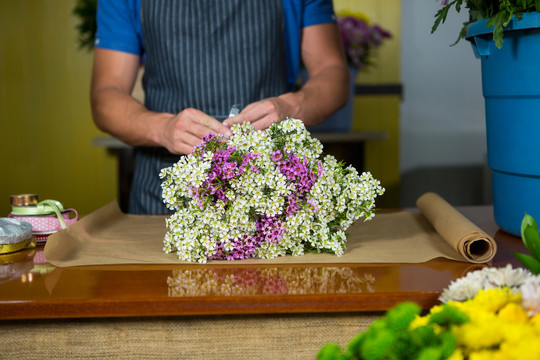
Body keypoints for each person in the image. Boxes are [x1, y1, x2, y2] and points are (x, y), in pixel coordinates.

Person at [91, 0, 349, 214]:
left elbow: (332, 73)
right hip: (164, 195)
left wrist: (291, 107)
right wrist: (162, 128)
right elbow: (105, 97)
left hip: (272, 191)